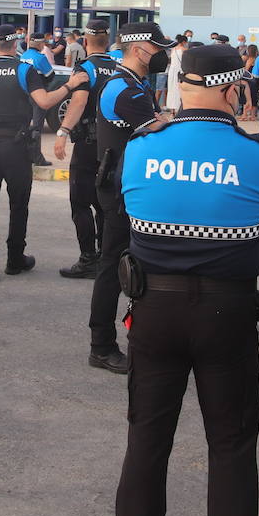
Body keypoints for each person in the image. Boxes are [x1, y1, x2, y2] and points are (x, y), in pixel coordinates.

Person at [114, 43, 259, 516]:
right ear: (234, 89)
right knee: (231, 447)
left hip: (154, 310)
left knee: (147, 440)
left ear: (182, 86)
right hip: (226, 314)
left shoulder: (140, 147)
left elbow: (126, 207)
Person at [83, 22, 174, 374]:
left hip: (127, 185)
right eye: (157, 47)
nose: (161, 54)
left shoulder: (132, 84)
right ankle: (101, 345)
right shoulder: (124, 90)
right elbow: (161, 127)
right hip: (120, 190)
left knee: (133, 262)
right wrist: (167, 118)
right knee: (112, 266)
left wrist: (163, 117)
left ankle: (136, 336)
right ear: (139, 50)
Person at [0, 24, 78, 282]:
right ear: (16, 45)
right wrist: (70, 86)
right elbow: (45, 102)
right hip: (16, 147)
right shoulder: (25, 69)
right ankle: (15, 260)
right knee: (18, 205)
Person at [54, 19, 119, 279]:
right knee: (105, 204)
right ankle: (106, 257)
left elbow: (79, 102)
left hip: (87, 146)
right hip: (112, 145)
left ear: (85, 41)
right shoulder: (118, 68)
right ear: (108, 39)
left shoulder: (86, 68)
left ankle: (88, 259)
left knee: (80, 203)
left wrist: (63, 131)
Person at [21, 34, 57, 166]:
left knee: (25, 124)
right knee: (37, 126)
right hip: (39, 94)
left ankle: (24, 154)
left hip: (24, 94)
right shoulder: (40, 58)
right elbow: (50, 75)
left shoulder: (24, 56)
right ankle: (37, 157)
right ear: (41, 44)